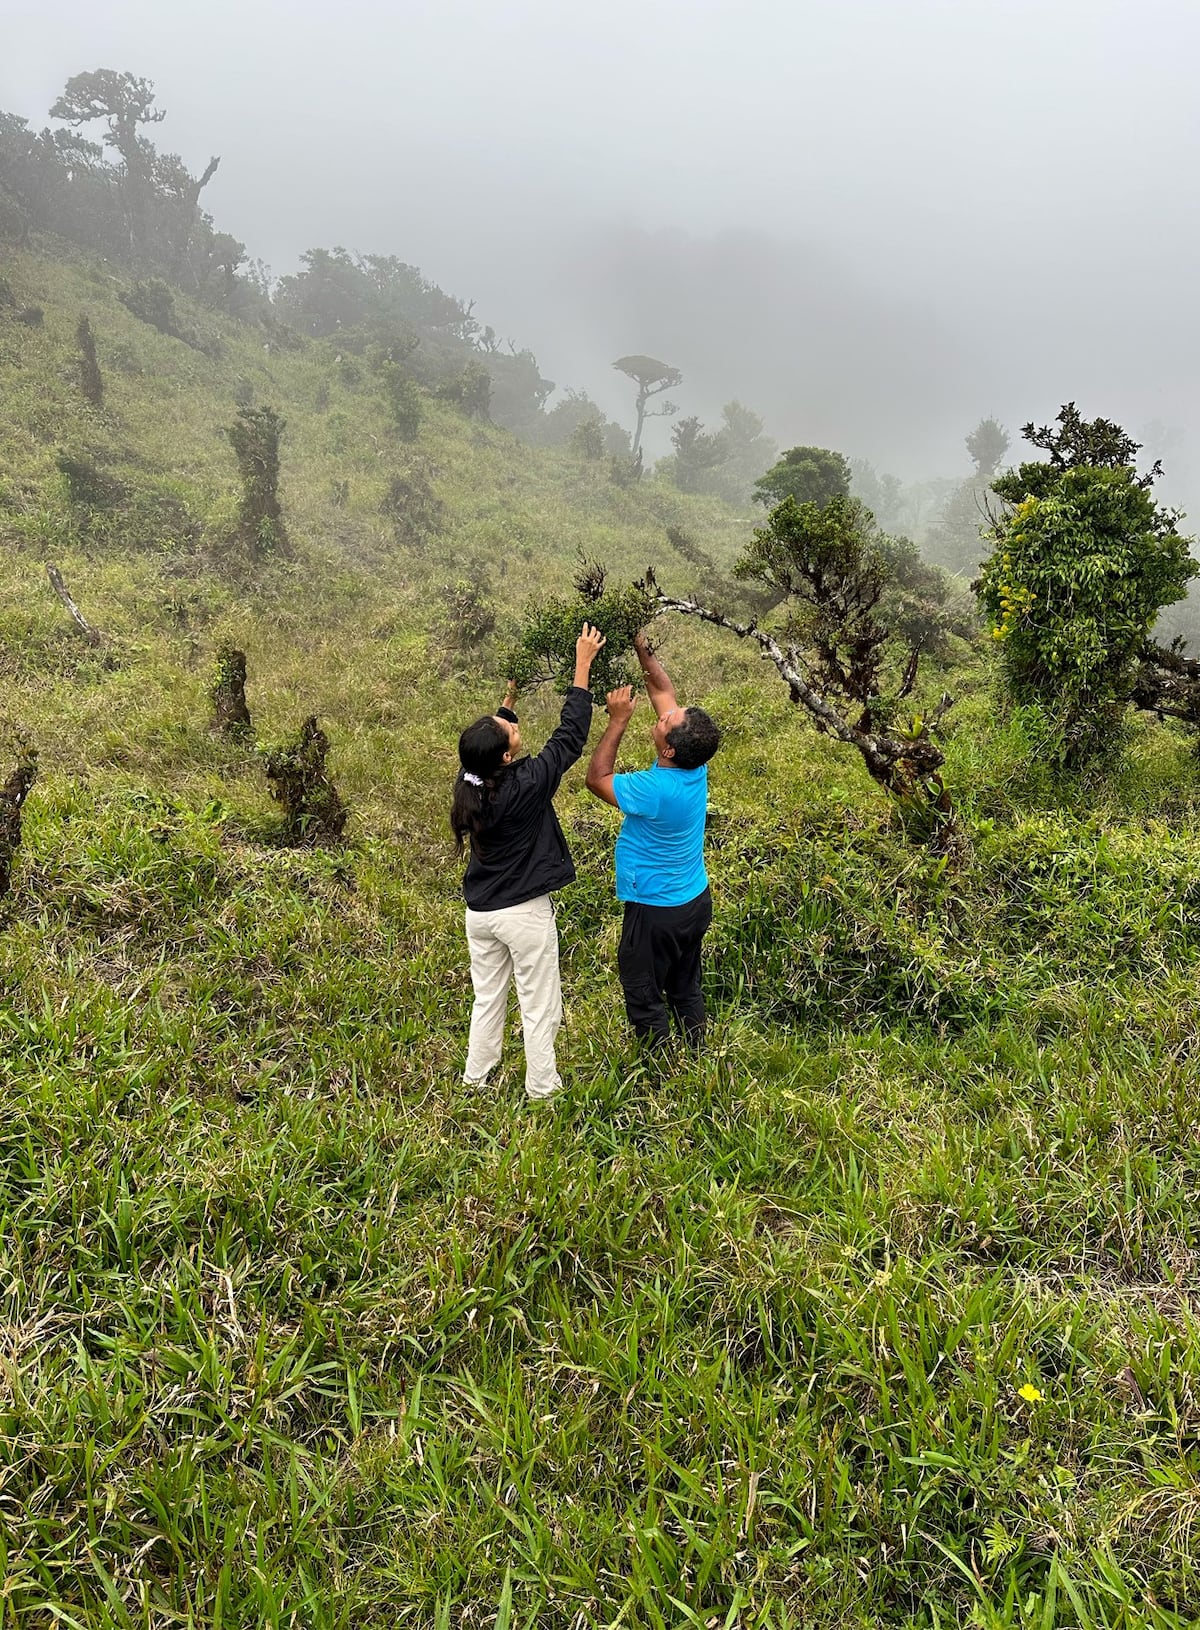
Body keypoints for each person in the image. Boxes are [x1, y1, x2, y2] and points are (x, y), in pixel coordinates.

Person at [451, 624, 605, 1099]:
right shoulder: (526, 785)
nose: (515, 728)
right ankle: (542, 1089)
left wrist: (509, 700)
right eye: (510, 730)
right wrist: (583, 665)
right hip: (522, 913)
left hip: (481, 914)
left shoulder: (469, 783)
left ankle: (476, 1080)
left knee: (488, 996)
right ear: (504, 753)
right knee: (539, 1002)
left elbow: (485, 744)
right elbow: (569, 739)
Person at [585, 630, 721, 1050]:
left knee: (643, 990)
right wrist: (641, 647)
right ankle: (697, 1050)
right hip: (693, 899)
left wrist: (617, 721)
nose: (663, 716)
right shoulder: (693, 765)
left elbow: (597, 780)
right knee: (684, 983)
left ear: (669, 751)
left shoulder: (655, 789)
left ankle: (660, 1069)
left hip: (657, 910)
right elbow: (663, 689)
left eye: (666, 722)